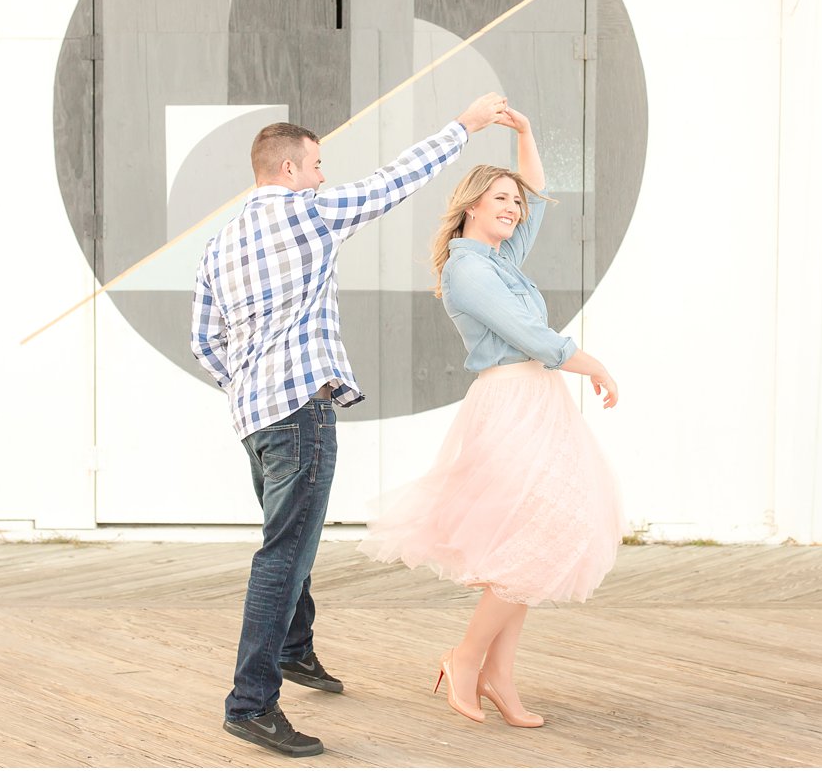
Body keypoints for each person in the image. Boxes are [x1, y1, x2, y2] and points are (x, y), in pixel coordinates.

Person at [191, 91, 509, 758]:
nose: (322, 175)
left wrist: (248, 387)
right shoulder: (308, 214)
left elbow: (204, 341)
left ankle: (293, 650)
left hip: (254, 418)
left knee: (290, 537)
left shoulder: (218, 244)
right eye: (315, 164)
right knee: (285, 552)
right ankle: (250, 703)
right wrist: (466, 122)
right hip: (300, 411)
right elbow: (396, 180)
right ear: (286, 171)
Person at [358, 105, 626, 728]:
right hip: (509, 401)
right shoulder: (467, 269)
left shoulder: (500, 259)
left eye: (516, 202)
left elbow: (536, 191)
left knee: (538, 538)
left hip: (537, 403)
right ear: (472, 204)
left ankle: (500, 677)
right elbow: (530, 335)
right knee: (527, 538)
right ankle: (466, 658)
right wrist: (597, 366)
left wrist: (528, 134)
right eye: (500, 198)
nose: (514, 207)